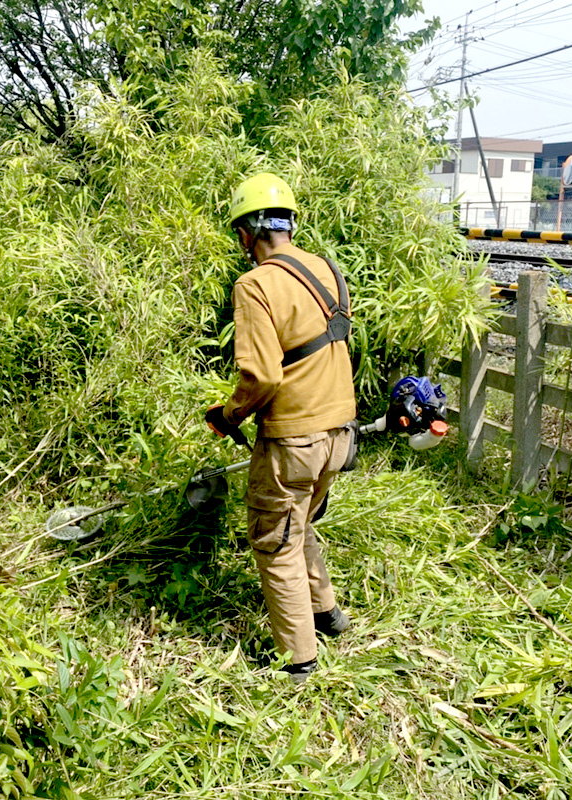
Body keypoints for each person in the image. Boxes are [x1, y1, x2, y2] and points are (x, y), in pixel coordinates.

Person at [206, 172, 357, 683]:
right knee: (299, 525)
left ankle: (301, 661)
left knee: (274, 540)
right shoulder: (330, 271)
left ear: (247, 233)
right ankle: (328, 614)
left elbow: (263, 374)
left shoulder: (255, 284)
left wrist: (230, 415)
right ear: (290, 223)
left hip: (294, 439)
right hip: (340, 435)